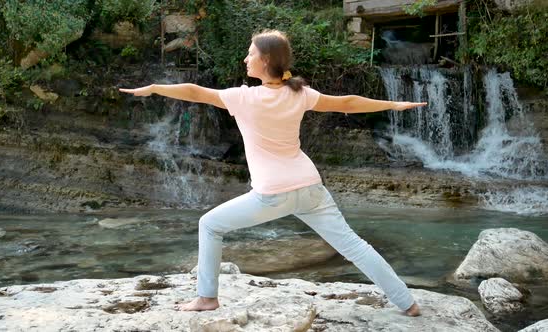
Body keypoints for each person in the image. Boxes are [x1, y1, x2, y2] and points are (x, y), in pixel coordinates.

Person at [119, 29, 425, 316]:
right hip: (310, 188)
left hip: (273, 193)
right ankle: (407, 302)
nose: (245, 59)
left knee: (210, 225)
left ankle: (207, 298)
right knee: (354, 246)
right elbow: (346, 103)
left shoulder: (244, 97)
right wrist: (393, 104)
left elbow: (195, 92)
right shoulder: (300, 93)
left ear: (265, 60)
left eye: (250, 53)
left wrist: (156, 88)